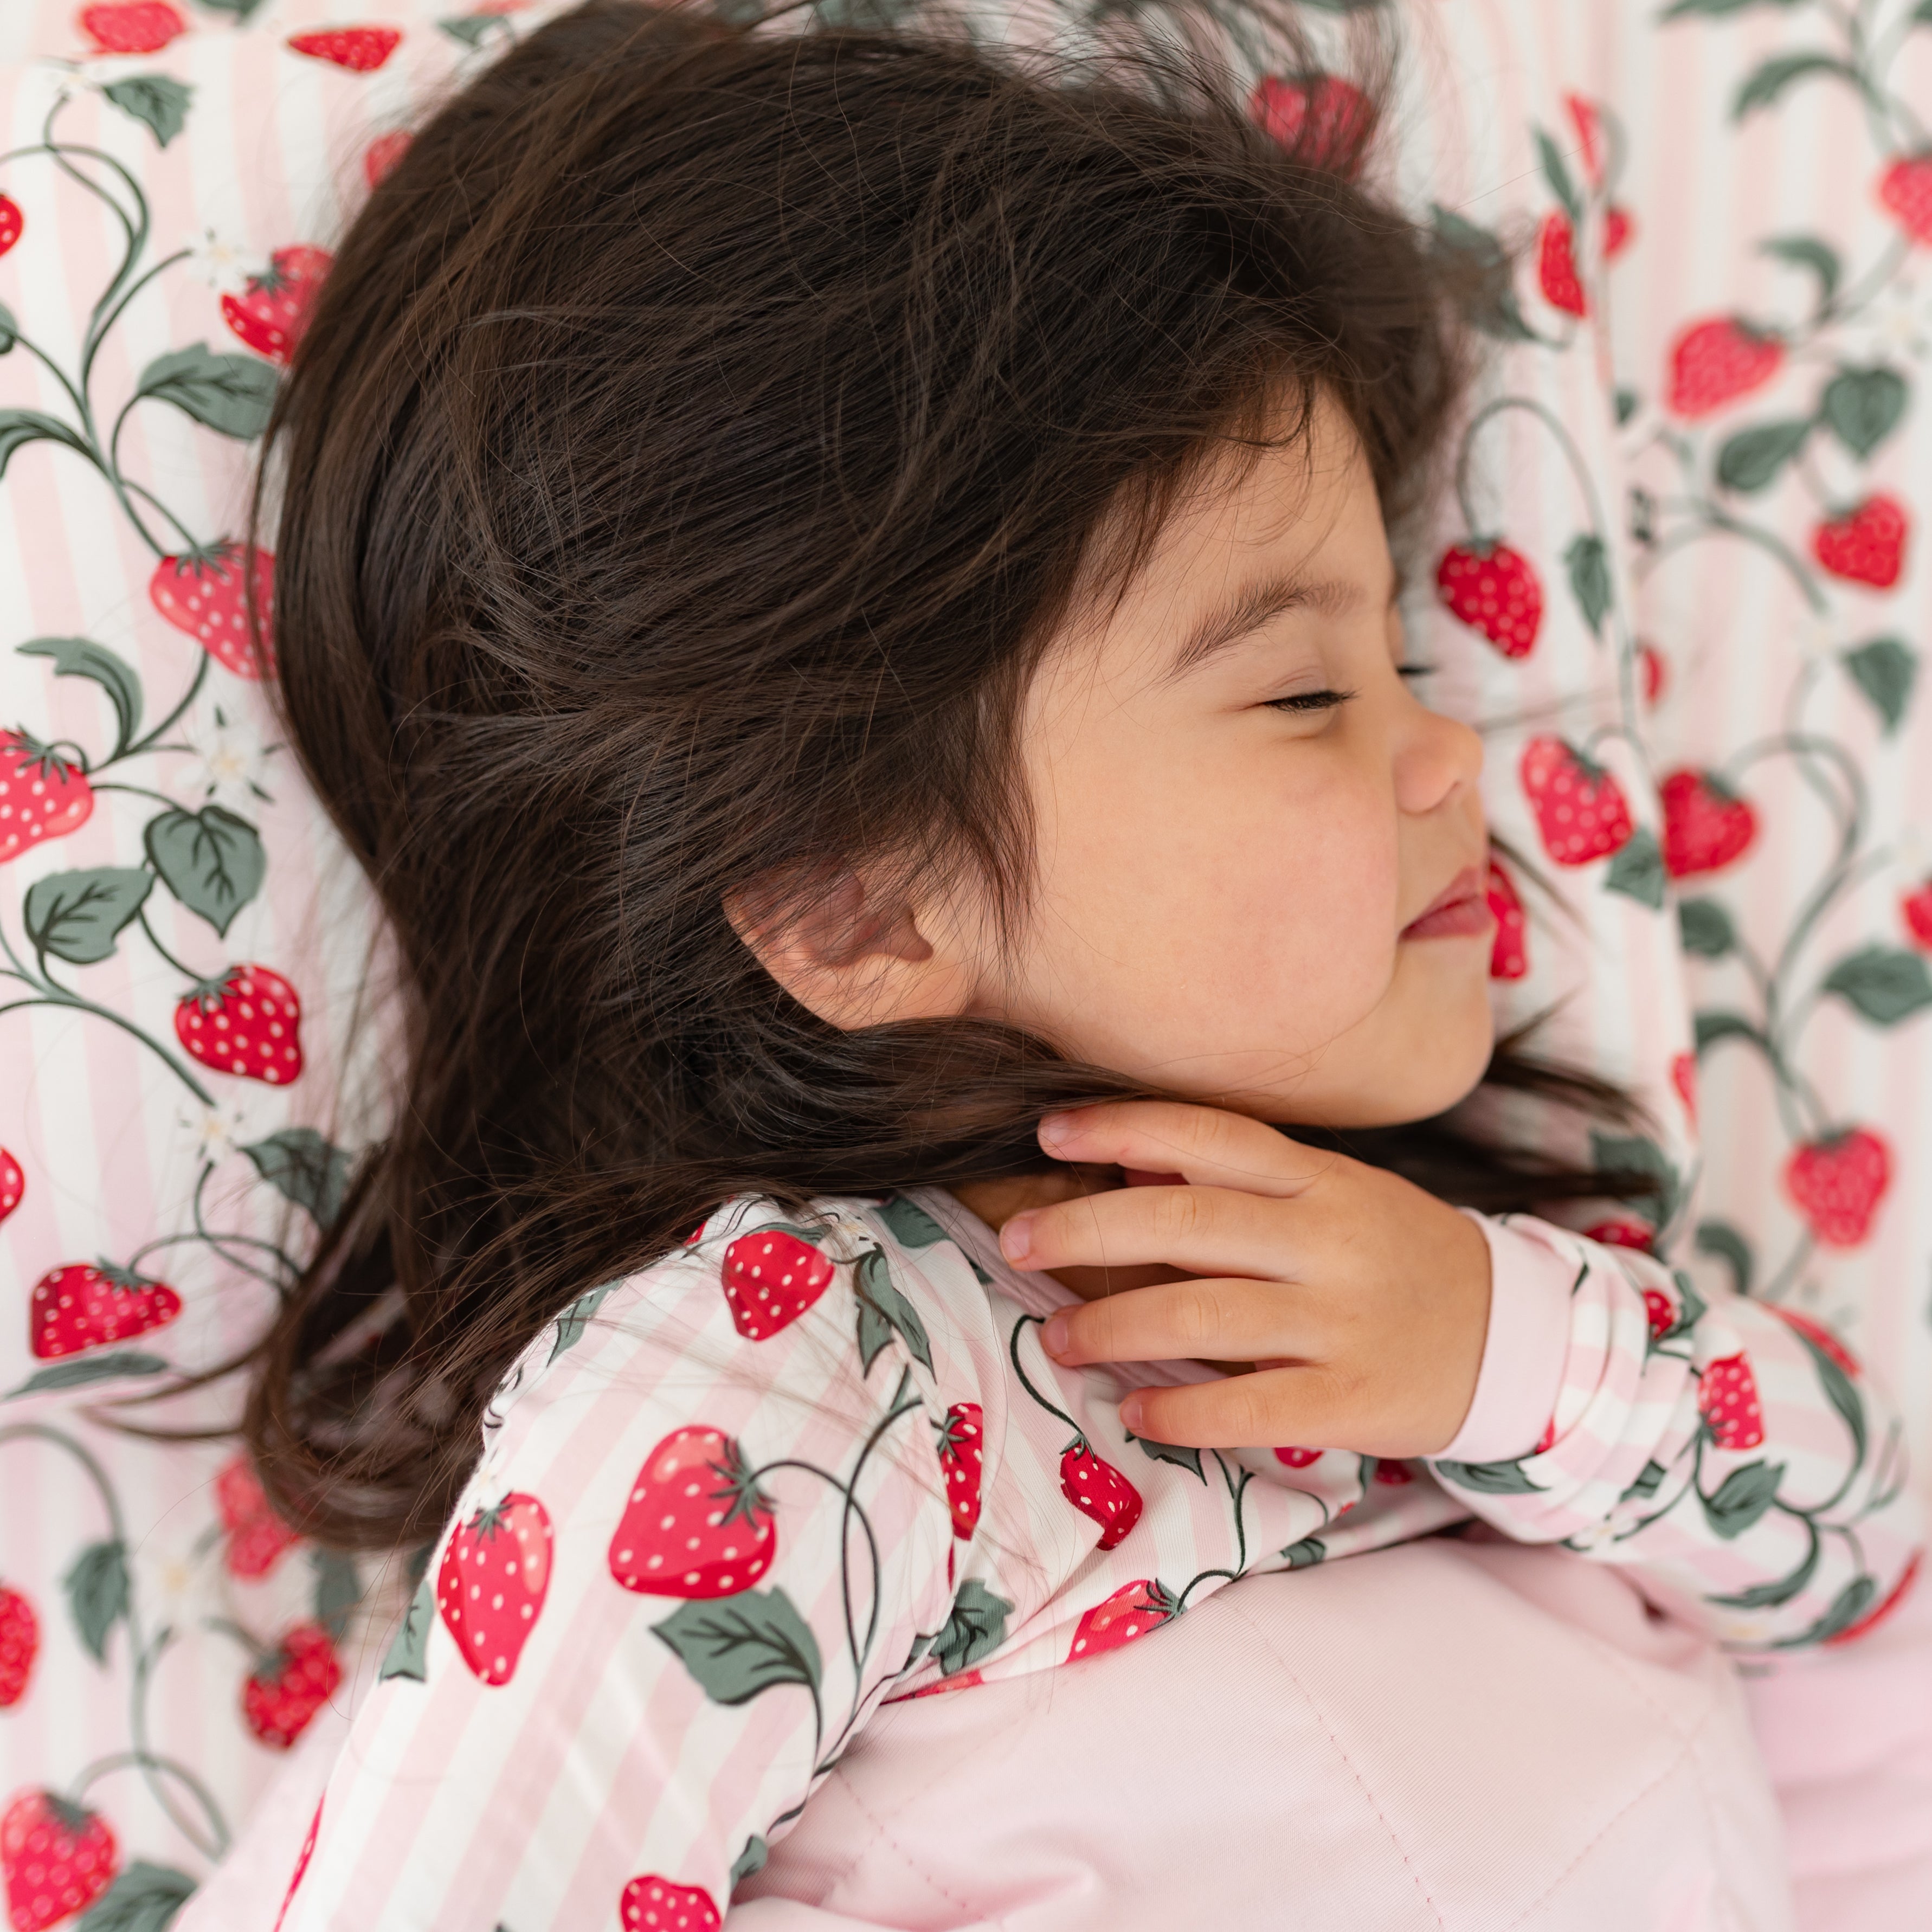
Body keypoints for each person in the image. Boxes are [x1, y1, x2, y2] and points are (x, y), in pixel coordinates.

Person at [241, 3, 1920, 1924]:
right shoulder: (789, 1375)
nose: (1452, 760)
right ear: (862, 906)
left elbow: (1855, 1555)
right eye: (1303, 690)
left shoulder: (1465, 1297)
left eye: (1406, 660)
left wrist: (1500, 1349)